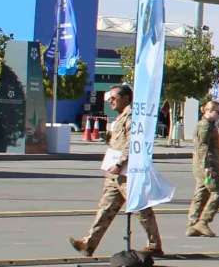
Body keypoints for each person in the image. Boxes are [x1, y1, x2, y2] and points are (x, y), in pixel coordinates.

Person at [68, 84, 164, 257]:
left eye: (114, 98)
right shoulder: (119, 117)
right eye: (109, 98)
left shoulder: (132, 117)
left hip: (128, 173)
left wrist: (120, 163)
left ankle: (155, 244)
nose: (110, 101)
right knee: (105, 209)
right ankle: (88, 244)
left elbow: (133, 144)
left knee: (141, 208)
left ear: (126, 98)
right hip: (114, 174)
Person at [187, 98, 219, 237]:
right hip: (206, 165)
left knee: (201, 194)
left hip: (202, 165)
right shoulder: (206, 126)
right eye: (218, 112)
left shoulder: (207, 124)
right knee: (218, 193)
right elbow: (203, 147)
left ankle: (192, 224)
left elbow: (211, 147)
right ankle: (203, 222)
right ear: (209, 111)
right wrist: (208, 166)